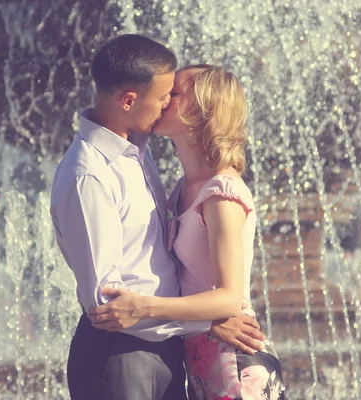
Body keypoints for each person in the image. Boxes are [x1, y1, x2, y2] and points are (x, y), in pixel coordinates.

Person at [50, 35, 265, 400]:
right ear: (130, 100)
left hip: (172, 352)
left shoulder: (138, 153)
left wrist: (205, 321)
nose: (166, 103)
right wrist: (208, 320)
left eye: (174, 95)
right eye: (164, 95)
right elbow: (108, 306)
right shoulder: (90, 175)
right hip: (120, 358)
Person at [88, 64, 286, 400]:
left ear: (203, 109)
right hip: (202, 354)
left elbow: (228, 296)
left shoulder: (222, 193)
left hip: (236, 359)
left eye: (173, 93)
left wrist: (142, 308)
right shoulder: (184, 189)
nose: (162, 99)